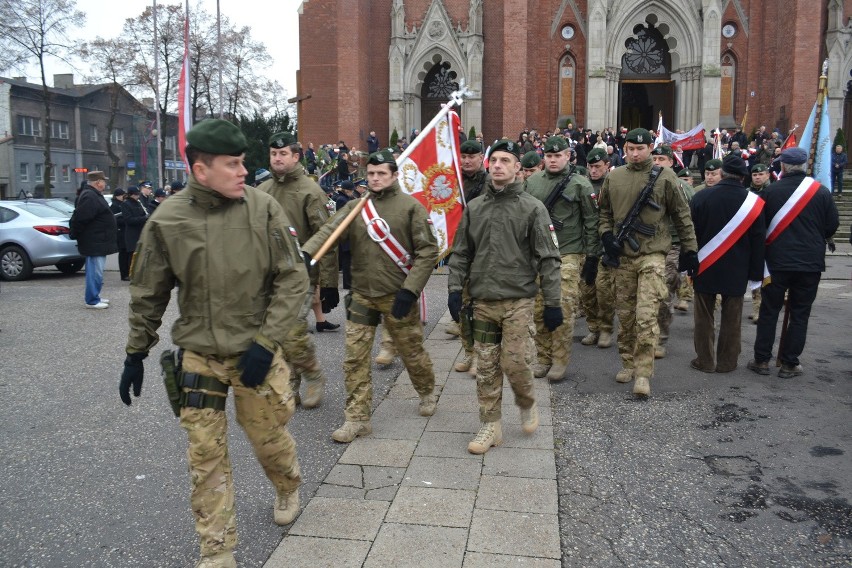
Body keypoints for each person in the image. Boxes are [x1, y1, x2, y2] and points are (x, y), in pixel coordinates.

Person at [119, 119, 308, 568]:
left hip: (254, 352)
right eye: (233, 164)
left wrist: (268, 341)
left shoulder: (262, 209)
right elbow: (149, 292)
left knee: (268, 440)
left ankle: (286, 483)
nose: (244, 171)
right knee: (205, 457)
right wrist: (135, 352)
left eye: (244, 162)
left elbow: (293, 278)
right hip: (199, 356)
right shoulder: (167, 220)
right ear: (201, 170)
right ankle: (218, 551)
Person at [302, 149, 439, 443]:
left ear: (394, 175)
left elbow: (428, 251)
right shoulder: (355, 207)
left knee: (412, 352)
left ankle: (426, 390)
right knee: (354, 359)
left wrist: (410, 289)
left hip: (397, 295)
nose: (375, 179)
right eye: (371, 174)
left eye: (381, 174)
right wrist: (307, 253)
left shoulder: (411, 208)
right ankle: (357, 418)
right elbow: (329, 231)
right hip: (362, 294)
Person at [448, 139, 562, 454]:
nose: (497, 165)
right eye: (494, 160)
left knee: (515, 363)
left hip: (519, 302)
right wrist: (454, 289)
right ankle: (491, 425)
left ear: (516, 168)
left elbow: (549, 258)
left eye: (505, 161)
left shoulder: (532, 208)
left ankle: (526, 401)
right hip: (483, 302)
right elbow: (460, 254)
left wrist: (553, 303)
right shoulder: (475, 208)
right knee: (485, 366)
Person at [598, 128, 697, 397]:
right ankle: (628, 363)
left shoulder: (665, 176)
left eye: (640, 149)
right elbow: (604, 212)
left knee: (645, 315)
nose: (634, 153)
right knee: (627, 315)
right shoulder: (614, 177)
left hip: (653, 254)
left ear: (650, 149)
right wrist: (606, 236)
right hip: (624, 258)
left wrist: (690, 248)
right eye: (629, 148)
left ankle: (643, 373)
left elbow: (681, 215)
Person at [258, 131, 340, 408]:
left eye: (283, 154)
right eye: (273, 153)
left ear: (295, 156)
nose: (277, 158)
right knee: (274, 335)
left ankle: (313, 373)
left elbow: (327, 238)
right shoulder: (262, 191)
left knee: (291, 332)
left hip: (300, 276)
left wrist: (328, 283)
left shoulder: (311, 191)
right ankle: (288, 385)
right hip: (267, 276)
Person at [748, 147, 839, 378]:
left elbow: (760, 227)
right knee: (800, 314)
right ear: (804, 166)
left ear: (783, 167)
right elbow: (832, 226)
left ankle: (761, 360)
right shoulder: (822, 192)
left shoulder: (770, 192)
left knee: (769, 312)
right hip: (809, 264)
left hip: (776, 263)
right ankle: (789, 363)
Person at [525, 135, 598, 381]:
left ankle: (559, 359)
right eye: (549, 155)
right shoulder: (532, 182)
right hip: (539, 255)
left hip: (569, 252)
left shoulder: (580, 184)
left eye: (558, 155)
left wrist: (592, 257)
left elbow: (591, 222)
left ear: (568, 156)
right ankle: (543, 356)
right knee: (538, 308)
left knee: (564, 307)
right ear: (543, 157)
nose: (553, 160)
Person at [689, 154, 765, 373]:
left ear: (721, 173)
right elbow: (759, 240)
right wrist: (756, 273)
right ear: (743, 177)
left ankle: (704, 360)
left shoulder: (701, 197)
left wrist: (690, 263)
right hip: (738, 268)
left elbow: (690, 234)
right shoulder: (755, 203)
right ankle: (727, 362)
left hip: (705, 264)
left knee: (703, 316)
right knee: (732, 318)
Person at [650, 145, 695, 359]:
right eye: (655, 158)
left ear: (671, 162)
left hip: (672, 247)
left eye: (662, 159)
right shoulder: (645, 182)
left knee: (664, 293)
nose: (657, 162)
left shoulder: (682, 187)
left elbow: (690, 219)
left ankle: (660, 338)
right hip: (648, 245)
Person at [580, 148, 615, 349]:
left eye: (597, 167)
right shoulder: (582, 185)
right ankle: (593, 327)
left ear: (606, 166)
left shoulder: (612, 184)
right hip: (585, 245)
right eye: (590, 166)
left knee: (604, 291)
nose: (593, 170)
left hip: (604, 246)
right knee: (586, 290)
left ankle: (606, 329)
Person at [70, 170, 117, 308]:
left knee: (97, 271)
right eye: (103, 181)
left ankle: (95, 296)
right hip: (94, 241)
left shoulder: (92, 194)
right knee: (95, 271)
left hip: (97, 240)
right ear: (98, 182)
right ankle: (91, 300)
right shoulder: (90, 196)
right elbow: (81, 219)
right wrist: (76, 233)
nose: (105, 183)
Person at [747, 163, 772, 322]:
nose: (757, 177)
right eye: (755, 175)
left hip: (767, 240)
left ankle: (759, 308)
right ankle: (756, 306)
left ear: (767, 175)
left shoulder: (772, 193)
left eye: (760, 174)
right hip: (749, 240)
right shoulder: (747, 193)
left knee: (762, 276)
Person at [121, 186, 151, 257]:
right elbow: (129, 220)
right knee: (133, 257)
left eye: (138, 194)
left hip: (140, 232)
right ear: (131, 195)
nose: (138, 196)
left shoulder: (138, 203)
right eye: (136, 195)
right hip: (132, 235)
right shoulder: (126, 204)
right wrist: (144, 218)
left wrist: (147, 215)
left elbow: (142, 214)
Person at [109, 188, 131, 281]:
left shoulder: (121, 204)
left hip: (124, 231)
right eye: (123, 195)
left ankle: (127, 273)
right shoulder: (114, 206)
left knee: (126, 252)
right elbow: (115, 219)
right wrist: (125, 220)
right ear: (118, 196)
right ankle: (124, 274)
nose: (124, 197)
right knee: (123, 253)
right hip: (120, 231)